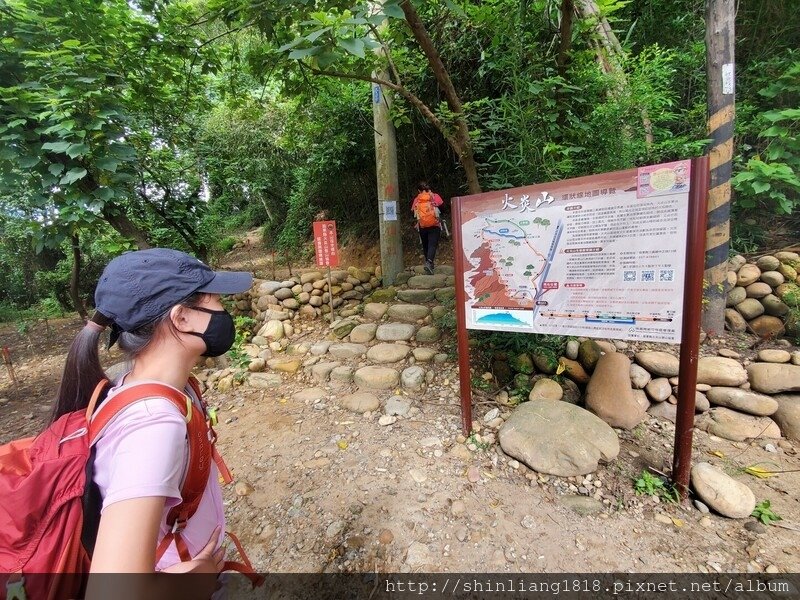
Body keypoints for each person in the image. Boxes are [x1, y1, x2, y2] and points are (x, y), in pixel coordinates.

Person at [52, 248, 253, 599]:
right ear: (182, 318)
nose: (225, 312)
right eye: (217, 301)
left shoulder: (156, 388)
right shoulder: (153, 427)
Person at [411, 181, 444, 274]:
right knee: (432, 244)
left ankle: (429, 263)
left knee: (425, 245)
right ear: (429, 189)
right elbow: (443, 208)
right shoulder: (435, 196)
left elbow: (412, 212)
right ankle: (429, 262)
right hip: (435, 224)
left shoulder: (417, 199)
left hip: (422, 226)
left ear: (419, 190)